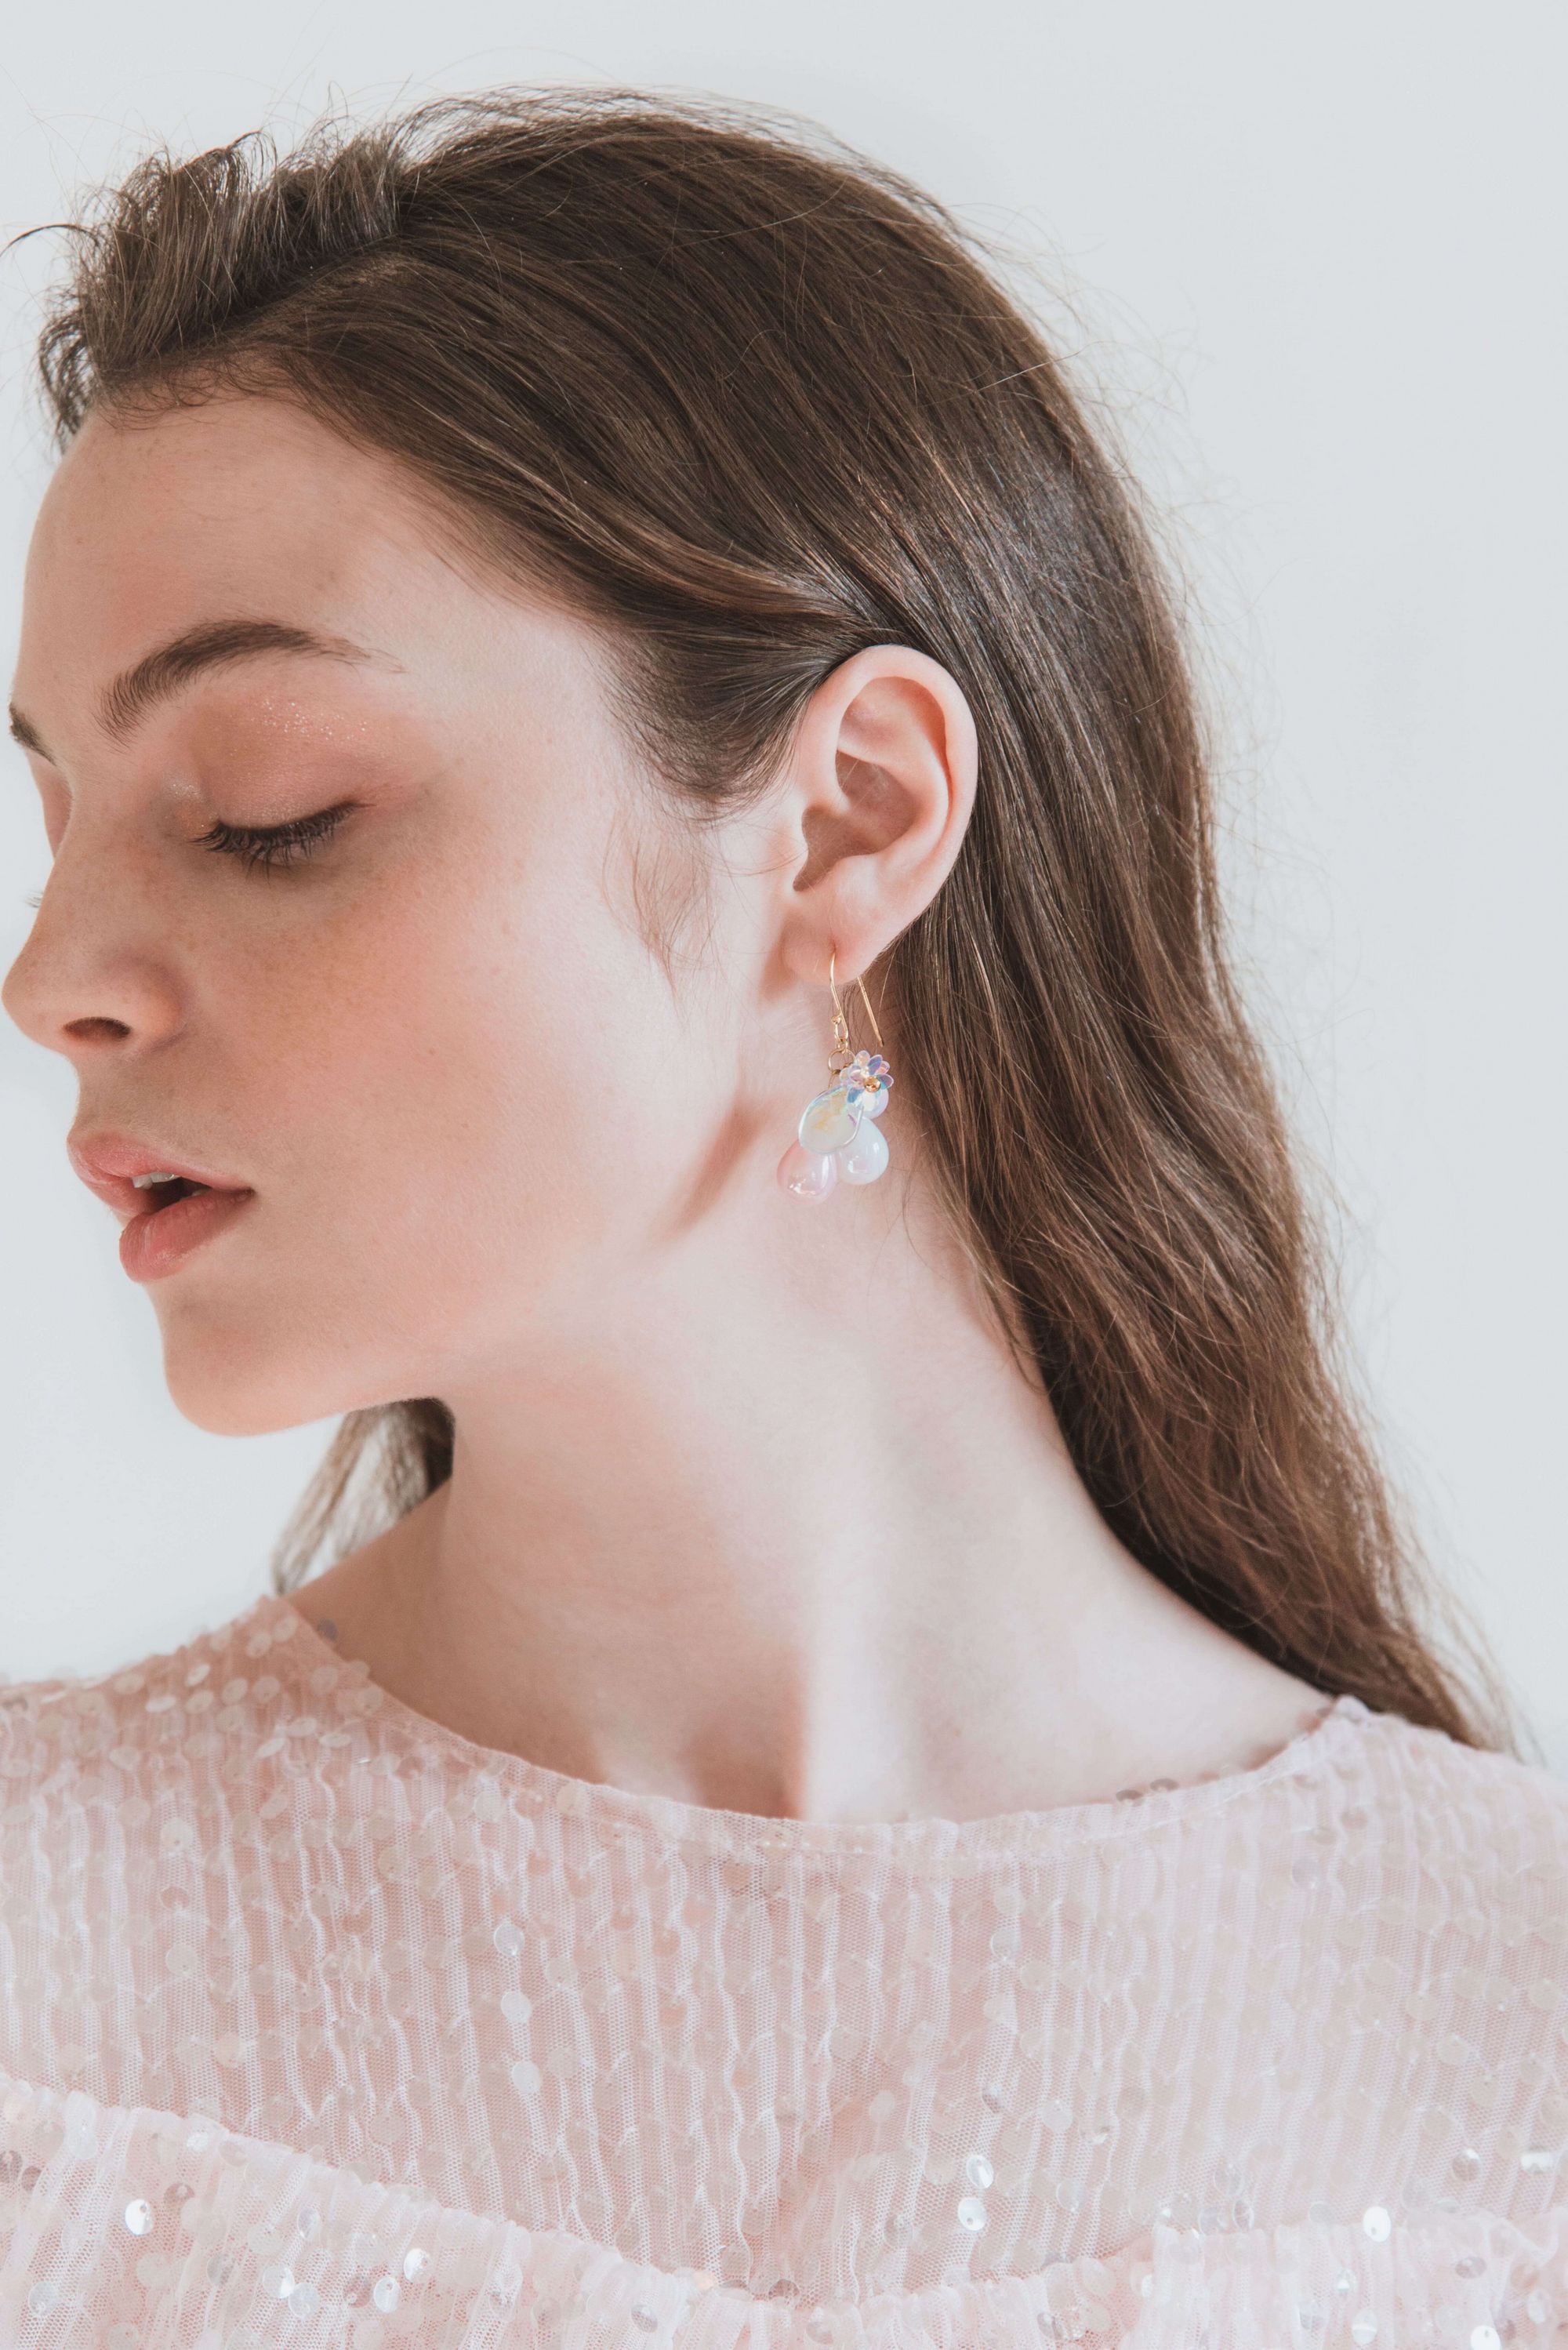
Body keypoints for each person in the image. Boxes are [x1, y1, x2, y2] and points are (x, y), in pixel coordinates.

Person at [1, 85, 1563, 2350]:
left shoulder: (1509, 2050)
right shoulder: (39, 1966)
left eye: (265, 812)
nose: (52, 978)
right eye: (55, 817)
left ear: (846, 824)